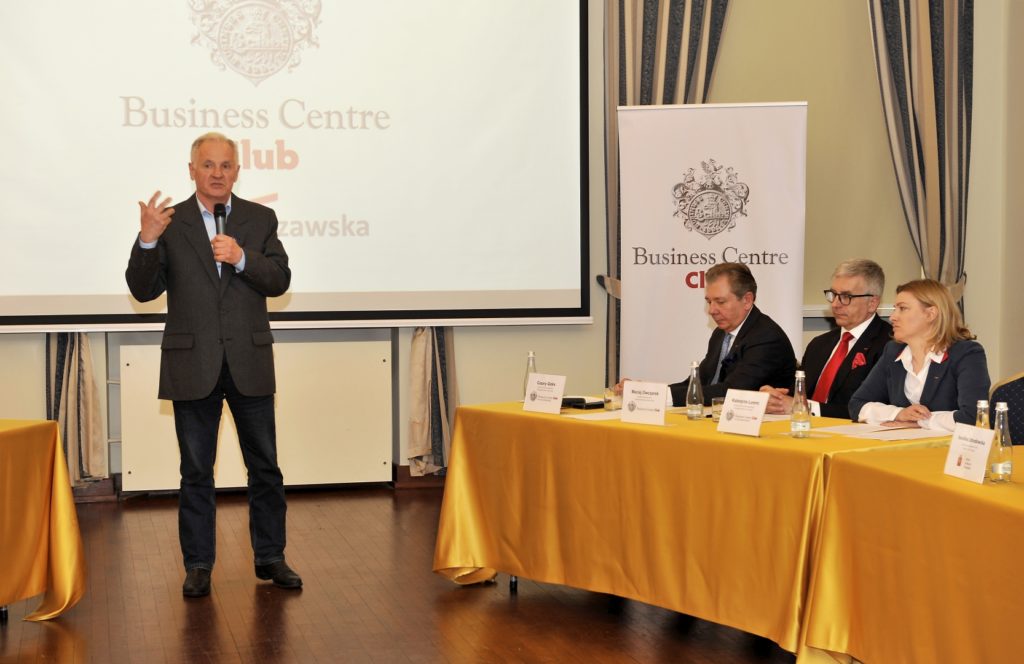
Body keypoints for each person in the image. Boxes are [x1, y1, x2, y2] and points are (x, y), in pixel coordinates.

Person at [125, 132, 301, 598]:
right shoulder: (170, 222)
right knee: (196, 472)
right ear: (192, 170)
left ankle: (271, 557)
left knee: (265, 467)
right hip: (193, 363)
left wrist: (242, 258)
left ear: (237, 171)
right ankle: (199, 564)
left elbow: (280, 279)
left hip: (248, 360)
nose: (217, 173)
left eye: (226, 165)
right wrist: (147, 241)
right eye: (208, 165)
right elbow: (143, 290)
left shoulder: (259, 218)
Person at [849, 279, 990, 431]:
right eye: (895, 309)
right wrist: (899, 414)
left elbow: (974, 416)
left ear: (930, 314)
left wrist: (921, 422)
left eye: (903, 308)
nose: (892, 317)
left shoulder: (966, 353)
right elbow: (856, 405)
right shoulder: (892, 351)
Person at [761, 259, 891, 418]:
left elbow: (870, 410)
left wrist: (804, 407)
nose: (835, 304)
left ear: (872, 303)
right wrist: (777, 398)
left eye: (846, 296)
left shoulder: (889, 345)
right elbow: (798, 394)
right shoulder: (819, 344)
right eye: (833, 295)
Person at [667, 262, 796, 406]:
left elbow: (733, 392)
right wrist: (658, 393)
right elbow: (698, 382)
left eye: (720, 302)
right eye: (709, 302)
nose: (711, 310)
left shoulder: (766, 337)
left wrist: (669, 397)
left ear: (747, 300)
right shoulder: (720, 334)